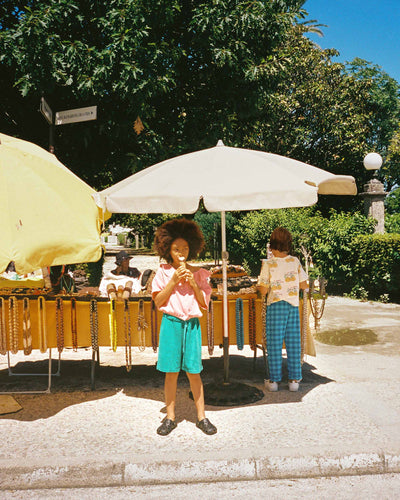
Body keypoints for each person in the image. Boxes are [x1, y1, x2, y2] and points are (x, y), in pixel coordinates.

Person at [152, 218, 217, 436]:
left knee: (194, 371)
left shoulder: (200, 273)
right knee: (171, 372)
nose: (181, 252)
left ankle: (202, 417)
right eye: (176, 248)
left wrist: (194, 284)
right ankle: (170, 418)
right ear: (167, 249)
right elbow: (158, 301)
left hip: (192, 325)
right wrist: (172, 281)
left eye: (185, 248)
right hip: (171, 324)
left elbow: (204, 303)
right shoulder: (162, 273)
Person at [257, 227, 308, 392]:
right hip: (292, 306)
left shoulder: (268, 264)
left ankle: (274, 381)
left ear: (271, 245)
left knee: (274, 343)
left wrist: (260, 284)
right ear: (288, 244)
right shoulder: (295, 261)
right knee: (293, 342)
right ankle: (294, 380)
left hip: (275, 305)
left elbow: (263, 290)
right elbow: (304, 285)